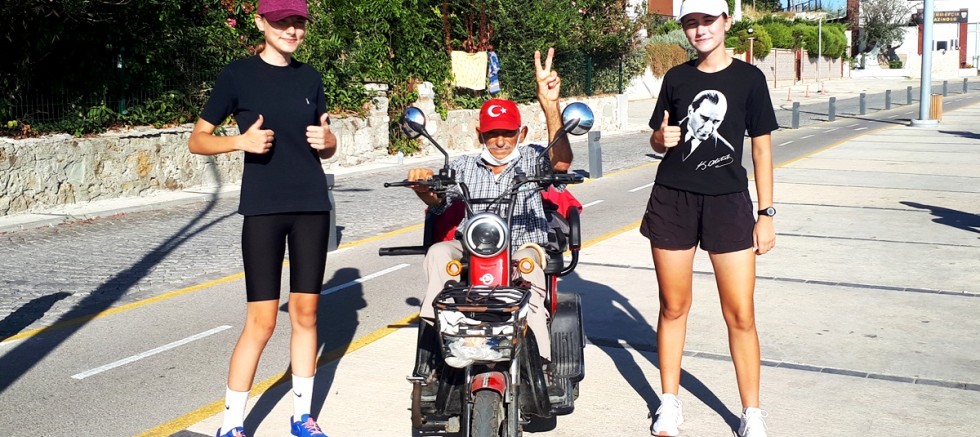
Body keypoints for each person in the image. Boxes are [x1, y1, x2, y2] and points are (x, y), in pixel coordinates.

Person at [187, 1, 334, 436]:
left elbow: (328, 145)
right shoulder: (238, 75)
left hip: (311, 207)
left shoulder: (311, 78)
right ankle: (231, 425)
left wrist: (329, 140)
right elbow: (198, 140)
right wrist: (240, 142)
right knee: (263, 321)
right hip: (263, 209)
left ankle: (302, 418)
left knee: (306, 313)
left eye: (298, 22)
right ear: (260, 22)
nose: (291, 30)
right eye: (281, 21)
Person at [642, 0, 778, 436]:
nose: (700, 30)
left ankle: (751, 412)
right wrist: (660, 138)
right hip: (673, 200)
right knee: (673, 306)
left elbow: (761, 150)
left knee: (740, 313)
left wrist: (766, 213)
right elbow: (657, 138)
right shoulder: (676, 78)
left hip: (729, 203)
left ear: (726, 22)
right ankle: (669, 402)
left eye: (707, 21)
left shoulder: (750, 79)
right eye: (691, 23)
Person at [406, 48, 571, 369]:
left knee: (529, 271)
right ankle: (438, 336)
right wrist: (424, 188)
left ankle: (541, 363)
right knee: (438, 252)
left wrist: (550, 104)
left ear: (521, 133)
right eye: (492, 133)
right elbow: (439, 201)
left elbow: (561, 163)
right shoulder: (464, 165)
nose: (500, 140)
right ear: (479, 134)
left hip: (523, 246)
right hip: (472, 249)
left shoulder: (533, 159)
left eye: (508, 132)